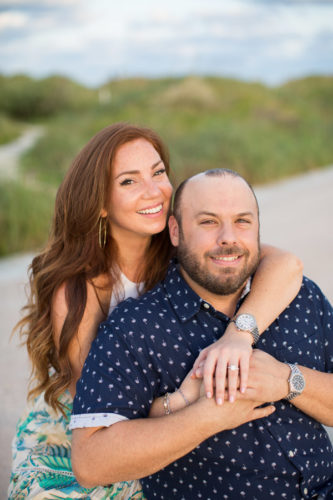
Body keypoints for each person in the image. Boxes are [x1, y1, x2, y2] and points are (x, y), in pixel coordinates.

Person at [8, 122, 302, 500]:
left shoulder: (184, 244)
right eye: (129, 181)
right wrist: (184, 401)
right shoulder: (80, 291)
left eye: (158, 172)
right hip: (93, 426)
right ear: (99, 202)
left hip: (174, 407)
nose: (154, 192)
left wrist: (238, 336)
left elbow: (287, 266)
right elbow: (103, 412)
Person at [70, 168, 333, 499]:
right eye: (208, 222)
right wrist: (205, 418)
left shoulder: (299, 296)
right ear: (176, 232)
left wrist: (289, 380)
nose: (228, 238)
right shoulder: (136, 327)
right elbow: (90, 462)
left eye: (242, 221)